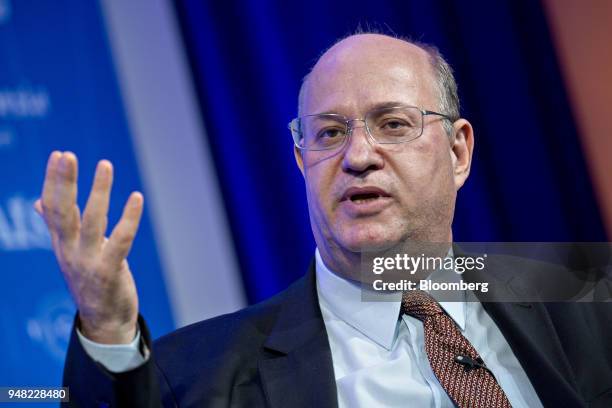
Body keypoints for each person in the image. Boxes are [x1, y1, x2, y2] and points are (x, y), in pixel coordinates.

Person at [36, 33, 611, 407]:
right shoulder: (197, 375)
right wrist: (108, 331)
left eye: (392, 124)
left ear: (457, 152)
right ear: (301, 160)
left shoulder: (587, 300)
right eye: (330, 134)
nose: (358, 156)